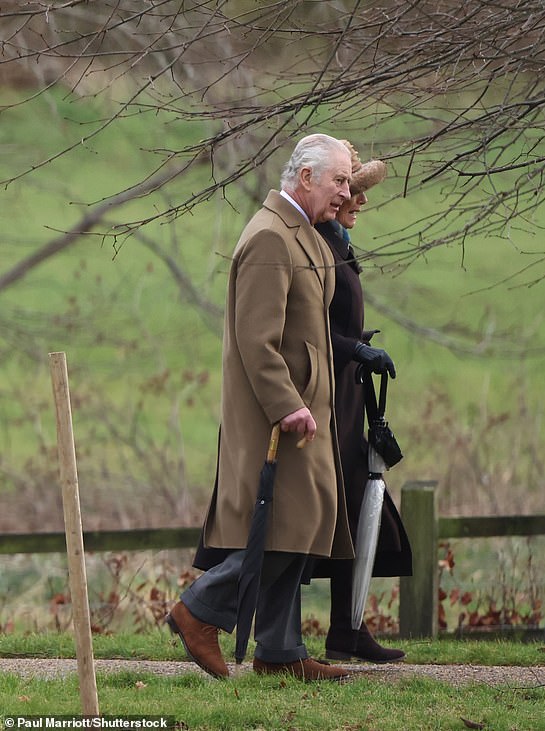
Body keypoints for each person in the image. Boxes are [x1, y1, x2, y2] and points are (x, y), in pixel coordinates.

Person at [166, 133, 356, 682]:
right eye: (338, 180)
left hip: (301, 411)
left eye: (348, 180)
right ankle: (197, 610)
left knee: (300, 526)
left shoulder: (301, 229)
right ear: (304, 179)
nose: (345, 192)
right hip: (279, 416)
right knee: (279, 531)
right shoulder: (272, 238)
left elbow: (336, 243)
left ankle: (279, 649)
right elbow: (256, 339)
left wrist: (348, 192)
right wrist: (286, 404)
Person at [313, 141, 413, 663]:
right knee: (332, 510)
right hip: (324, 392)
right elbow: (311, 325)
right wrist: (357, 348)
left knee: (357, 507)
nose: (359, 199)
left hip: (348, 391)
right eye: (352, 189)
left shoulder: (338, 239)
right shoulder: (317, 243)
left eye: (361, 189)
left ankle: (347, 629)